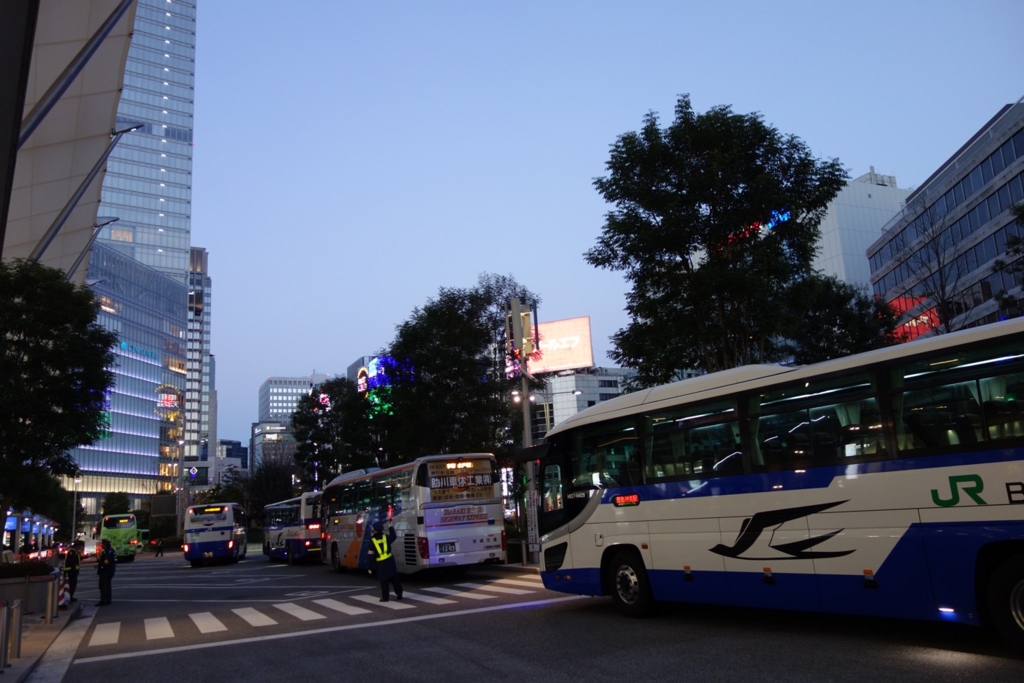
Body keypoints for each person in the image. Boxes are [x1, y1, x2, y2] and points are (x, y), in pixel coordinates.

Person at [369, 521, 402, 602]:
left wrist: (369, 567)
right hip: (390, 561)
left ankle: (385, 598)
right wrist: (390, 527)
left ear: (375, 530)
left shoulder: (372, 540)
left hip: (380, 564)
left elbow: (371, 555)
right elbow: (394, 536)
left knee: (384, 581)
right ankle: (399, 594)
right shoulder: (385, 537)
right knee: (394, 579)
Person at [96, 538, 116, 606]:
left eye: (102, 544)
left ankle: (103, 600)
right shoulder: (111, 550)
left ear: (105, 544)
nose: (102, 545)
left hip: (105, 571)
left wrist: (100, 565)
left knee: (103, 586)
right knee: (107, 586)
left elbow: (106, 561)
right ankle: (108, 600)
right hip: (109, 571)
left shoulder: (107, 551)